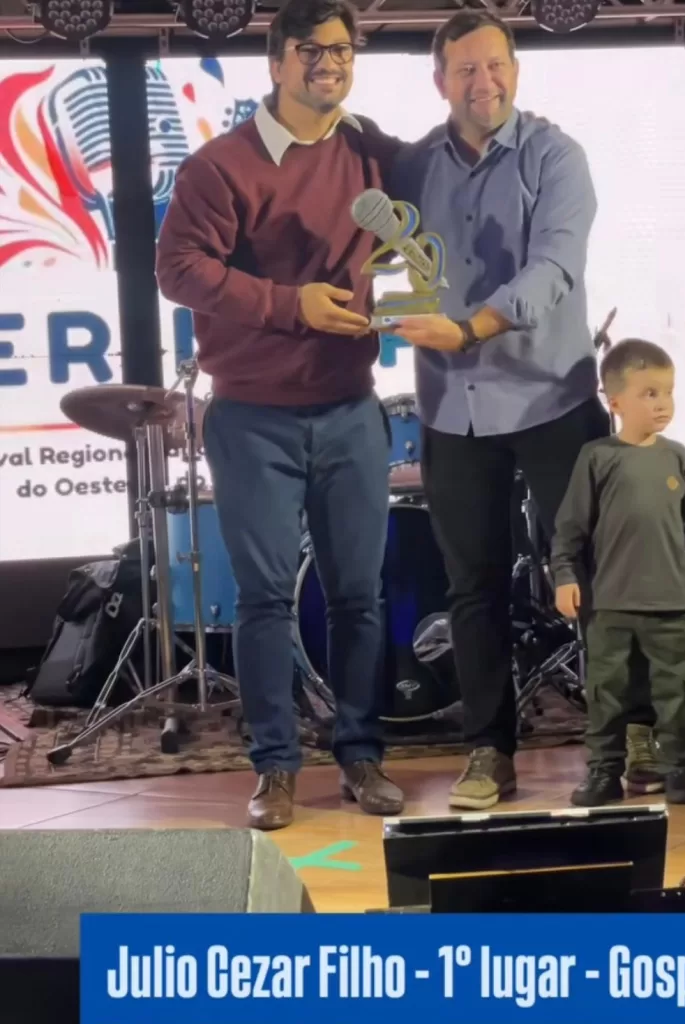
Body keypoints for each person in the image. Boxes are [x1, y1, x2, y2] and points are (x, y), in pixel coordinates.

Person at [387, 10, 658, 809]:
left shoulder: (554, 155)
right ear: (439, 80)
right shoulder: (409, 167)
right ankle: (488, 752)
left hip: (551, 402)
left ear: (515, 68)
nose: (485, 82)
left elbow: (554, 269)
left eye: (496, 65)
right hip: (453, 409)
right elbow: (380, 256)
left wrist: (469, 327)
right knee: (471, 589)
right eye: (466, 69)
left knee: (597, 574)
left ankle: (632, 730)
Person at [155, 0, 405, 830]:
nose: (329, 62)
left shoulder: (372, 151)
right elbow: (177, 269)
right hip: (252, 416)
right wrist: (289, 304)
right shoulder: (220, 165)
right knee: (263, 600)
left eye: (342, 48)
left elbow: (445, 202)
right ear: (274, 62)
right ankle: (275, 767)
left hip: (350, 408)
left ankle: (361, 755)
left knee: (359, 596)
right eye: (310, 49)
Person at [551, 340, 685, 807]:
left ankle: (678, 770)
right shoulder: (597, 457)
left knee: (676, 690)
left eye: (667, 391)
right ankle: (604, 771)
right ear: (616, 403)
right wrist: (564, 576)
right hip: (610, 603)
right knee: (606, 692)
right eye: (649, 393)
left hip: (670, 601)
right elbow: (570, 528)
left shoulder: (676, 457)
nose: (663, 403)